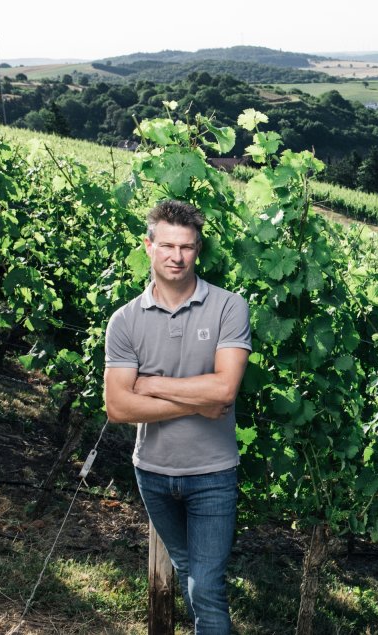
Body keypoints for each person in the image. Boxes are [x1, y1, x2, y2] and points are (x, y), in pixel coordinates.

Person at [104, 200, 251, 634]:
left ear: (198, 250)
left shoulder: (228, 307)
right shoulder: (125, 320)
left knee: (206, 586)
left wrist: (151, 384)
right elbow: (118, 408)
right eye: (167, 245)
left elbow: (224, 390)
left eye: (186, 247)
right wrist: (197, 401)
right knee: (189, 571)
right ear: (149, 246)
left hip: (212, 473)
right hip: (152, 473)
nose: (176, 256)